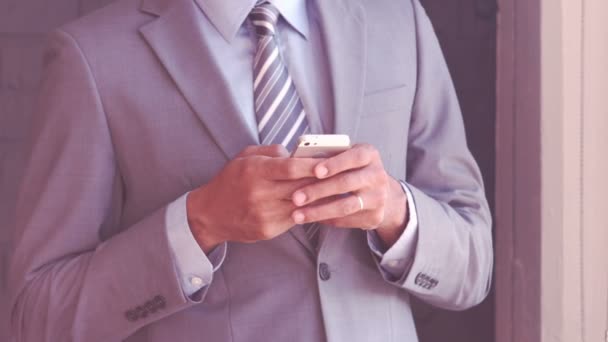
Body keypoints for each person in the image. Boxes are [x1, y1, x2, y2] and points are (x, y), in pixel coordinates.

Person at [8, 0, 493, 340]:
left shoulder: (398, 18)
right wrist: (198, 224)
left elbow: (473, 266)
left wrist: (393, 210)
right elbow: (37, 315)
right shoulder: (93, 57)